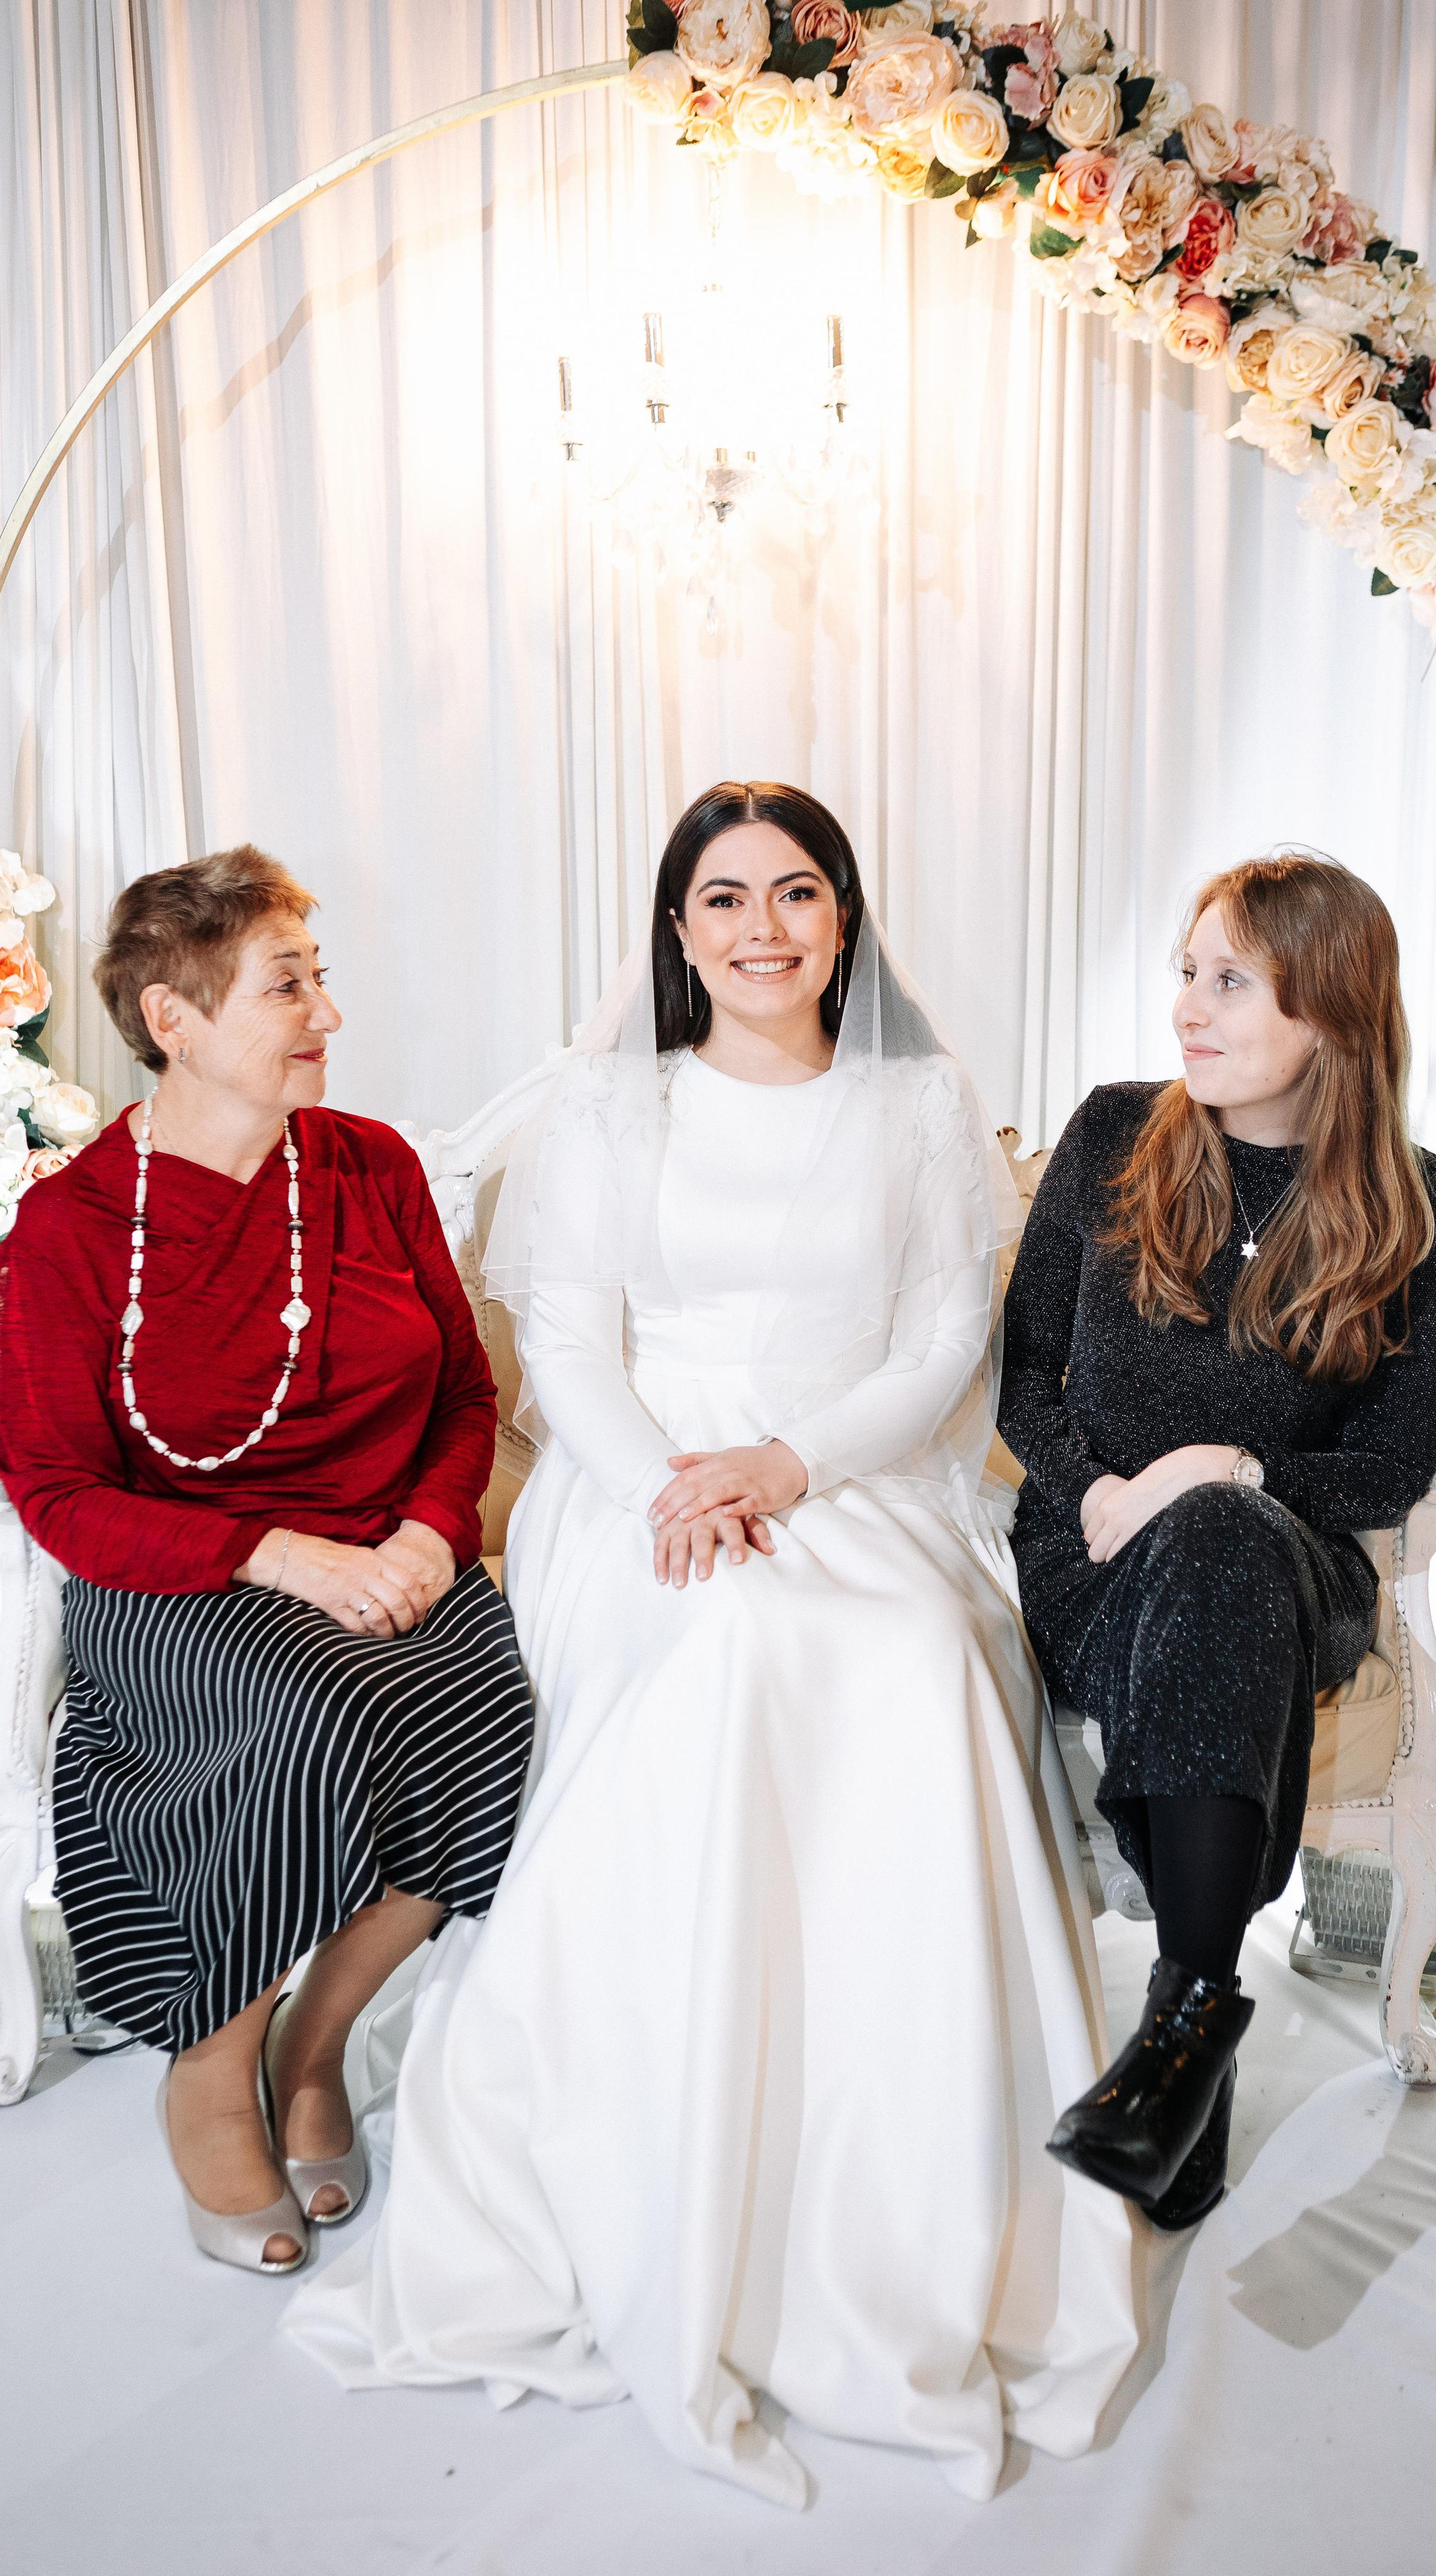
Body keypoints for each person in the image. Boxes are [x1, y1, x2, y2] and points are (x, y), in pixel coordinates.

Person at [287, 782, 1137, 2506]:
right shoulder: (612, 1109)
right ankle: (654, 2147)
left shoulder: (915, 1102)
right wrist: (677, 1489)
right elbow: (574, 1347)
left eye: (798, 894)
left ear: (844, 919)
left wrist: (787, 1464)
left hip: (851, 1475)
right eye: (725, 899)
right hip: (635, 1491)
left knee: (904, 1662)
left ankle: (883, 2181)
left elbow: (940, 1337)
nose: (763, 929)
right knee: (723, 1652)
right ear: (675, 930)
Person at [0, 847, 533, 2276]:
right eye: (286, 986)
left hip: (395, 1560)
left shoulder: (371, 1168)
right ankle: (209, 2060)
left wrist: (431, 1530)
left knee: (505, 1716)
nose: (326, 1016)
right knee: (317, 1712)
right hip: (181, 1581)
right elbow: (51, 1486)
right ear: (172, 1017)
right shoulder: (71, 1229)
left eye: (319, 978)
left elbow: (465, 1397)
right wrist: (273, 1555)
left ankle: (317, 2039)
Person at [998, 849, 1436, 2232]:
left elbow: (1383, 1462)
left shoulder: (1407, 1203)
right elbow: (1022, 1375)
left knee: (1218, 1534)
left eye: (1228, 982)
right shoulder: (1110, 1136)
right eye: (1182, 977)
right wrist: (1093, 1486)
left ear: (1329, 1010)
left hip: (1280, 1563)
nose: (1187, 1011)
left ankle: (1176, 2022)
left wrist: (1222, 1469)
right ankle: (1190, 2035)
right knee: (1197, 1544)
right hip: (1087, 1554)